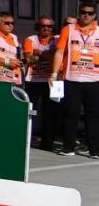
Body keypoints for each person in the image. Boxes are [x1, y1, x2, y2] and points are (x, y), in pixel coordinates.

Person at [53, 1, 99, 158]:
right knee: (70, 114)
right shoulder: (69, 29)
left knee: (94, 115)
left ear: (94, 15)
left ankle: (94, 150)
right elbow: (59, 52)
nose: (86, 15)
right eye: (83, 12)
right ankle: (68, 148)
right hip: (72, 78)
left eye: (90, 13)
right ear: (79, 13)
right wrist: (54, 74)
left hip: (94, 80)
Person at [23, 15, 60, 151]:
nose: (46, 28)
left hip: (52, 81)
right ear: (38, 27)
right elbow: (29, 58)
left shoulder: (57, 40)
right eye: (43, 26)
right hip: (32, 80)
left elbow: (58, 58)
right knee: (29, 111)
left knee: (51, 113)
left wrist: (40, 53)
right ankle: (26, 139)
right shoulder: (30, 39)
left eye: (49, 26)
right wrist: (49, 56)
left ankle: (47, 143)